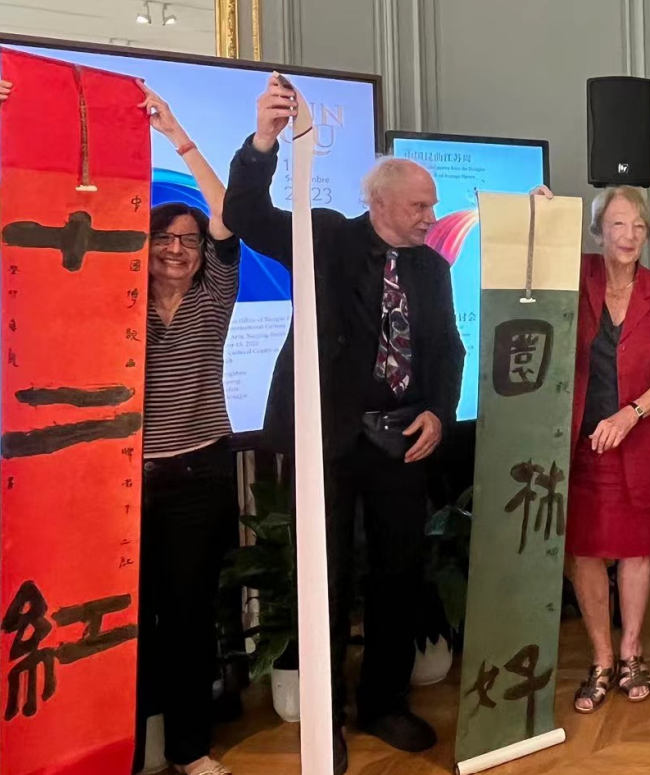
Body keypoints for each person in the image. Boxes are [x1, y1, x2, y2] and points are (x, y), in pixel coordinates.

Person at [222, 75, 464, 775]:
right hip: (326, 441)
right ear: (380, 201)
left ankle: (384, 701)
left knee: (398, 573)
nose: (430, 216)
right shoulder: (324, 235)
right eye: (420, 205)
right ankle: (324, 717)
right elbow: (244, 212)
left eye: (432, 205)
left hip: (402, 440)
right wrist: (263, 141)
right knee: (323, 580)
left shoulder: (433, 267)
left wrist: (438, 412)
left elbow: (448, 348)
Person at [534, 184, 650, 712]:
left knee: (638, 552)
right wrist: (541, 212)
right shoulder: (576, 275)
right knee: (586, 554)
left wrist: (630, 415)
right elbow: (533, 257)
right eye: (618, 225)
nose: (629, 235)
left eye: (639, 226)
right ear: (598, 231)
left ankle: (631, 652)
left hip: (643, 443)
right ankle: (602, 657)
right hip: (583, 445)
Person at [135, 84, 242, 775]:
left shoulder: (215, 295)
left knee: (190, 616)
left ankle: (189, 751)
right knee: (129, 619)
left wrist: (178, 136)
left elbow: (228, 215)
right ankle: (129, 746)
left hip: (200, 473)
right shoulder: (115, 298)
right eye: (164, 237)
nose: (177, 249)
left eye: (190, 241)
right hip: (126, 482)